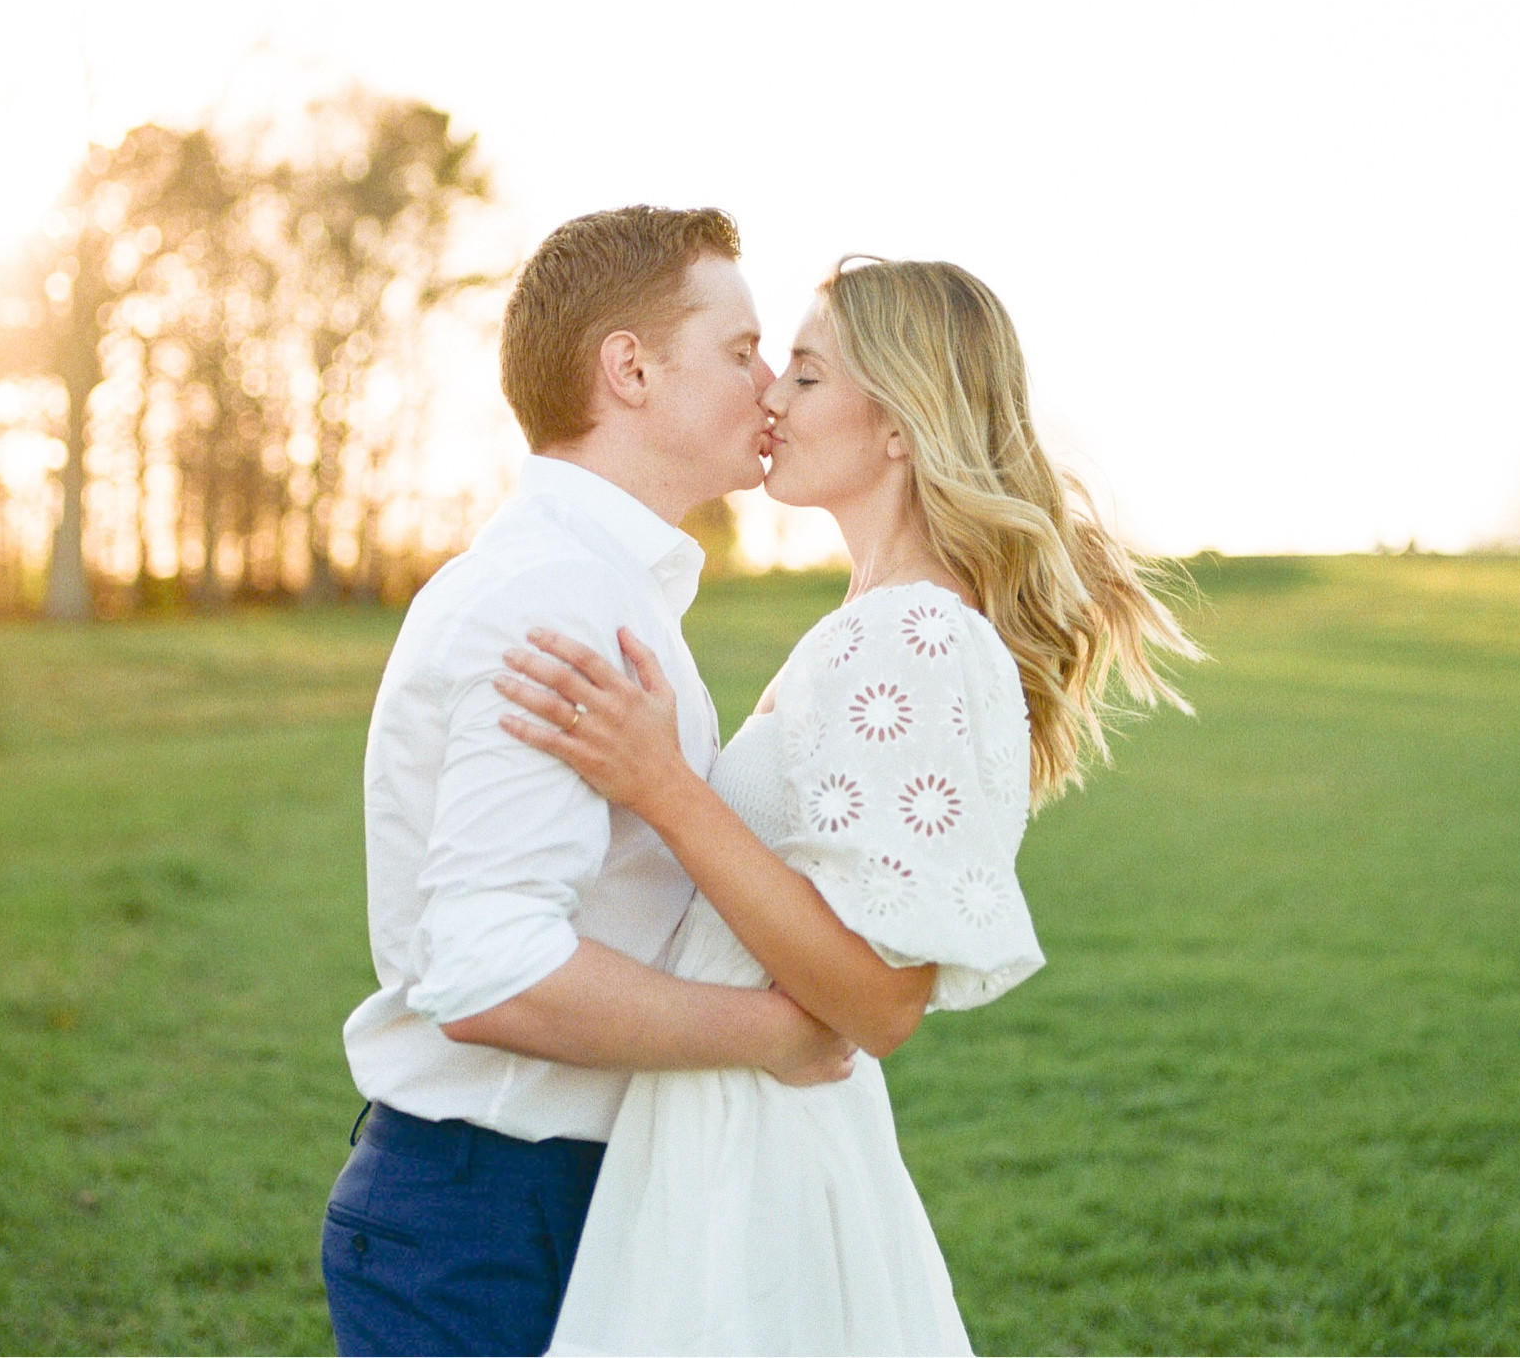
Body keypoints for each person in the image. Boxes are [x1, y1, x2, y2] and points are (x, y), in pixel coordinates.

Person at [495, 256, 1199, 1355]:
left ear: (900, 427)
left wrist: (666, 789)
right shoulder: (876, 620)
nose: (770, 392)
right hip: (726, 1129)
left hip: (760, 1155)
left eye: (808, 375)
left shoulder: (912, 636)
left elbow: (879, 1001)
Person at [322, 206, 858, 1358]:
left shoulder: (608, 585)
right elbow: (488, 969)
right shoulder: (555, 599)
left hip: (549, 1196)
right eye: (737, 350)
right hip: (490, 1213)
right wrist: (772, 1029)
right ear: (628, 369)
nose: (767, 386)